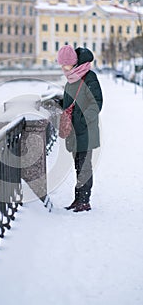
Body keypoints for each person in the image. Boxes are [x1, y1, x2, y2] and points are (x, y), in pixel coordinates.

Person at [57, 45, 103, 212]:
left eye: (65, 64)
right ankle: (78, 199)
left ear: (73, 63)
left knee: (84, 167)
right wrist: (58, 105)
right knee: (78, 166)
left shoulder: (89, 77)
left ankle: (84, 201)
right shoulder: (71, 78)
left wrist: (83, 120)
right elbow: (69, 102)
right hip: (74, 132)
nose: (63, 67)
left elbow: (96, 102)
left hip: (85, 131)